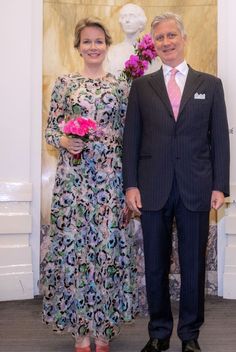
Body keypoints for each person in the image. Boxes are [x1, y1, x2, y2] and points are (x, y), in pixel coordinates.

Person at [123, 12, 230, 352]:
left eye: (171, 36)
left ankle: (189, 335)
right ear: (153, 45)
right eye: (160, 38)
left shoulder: (210, 85)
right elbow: (131, 141)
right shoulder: (140, 87)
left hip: (196, 188)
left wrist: (220, 186)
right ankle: (158, 333)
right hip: (152, 189)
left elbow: (220, 142)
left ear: (183, 39)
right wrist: (131, 185)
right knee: (154, 265)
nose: (166, 42)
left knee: (193, 265)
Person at [41, 17, 138, 352]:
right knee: (76, 252)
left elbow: (131, 137)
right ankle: (81, 331)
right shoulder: (64, 84)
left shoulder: (120, 88)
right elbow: (51, 131)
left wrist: (130, 185)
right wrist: (66, 141)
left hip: (111, 180)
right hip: (74, 183)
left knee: (106, 250)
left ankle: (103, 330)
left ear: (106, 46)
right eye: (87, 41)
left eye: (99, 41)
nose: (93, 47)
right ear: (78, 47)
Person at [105, 3, 160, 78]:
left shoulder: (151, 53)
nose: (127, 20)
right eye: (124, 17)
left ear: (141, 22)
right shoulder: (112, 52)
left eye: (132, 16)